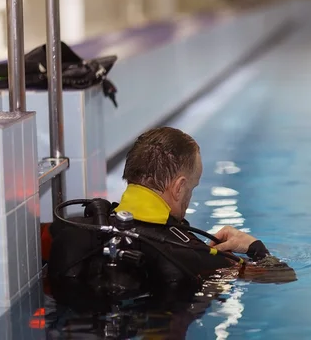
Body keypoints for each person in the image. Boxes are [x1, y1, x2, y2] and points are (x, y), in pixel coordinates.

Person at [45, 126, 295, 303]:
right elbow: (282, 275)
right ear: (177, 187)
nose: (190, 197)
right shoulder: (192, 253)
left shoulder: (74, 229)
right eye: (192, 187)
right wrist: (254, 247)